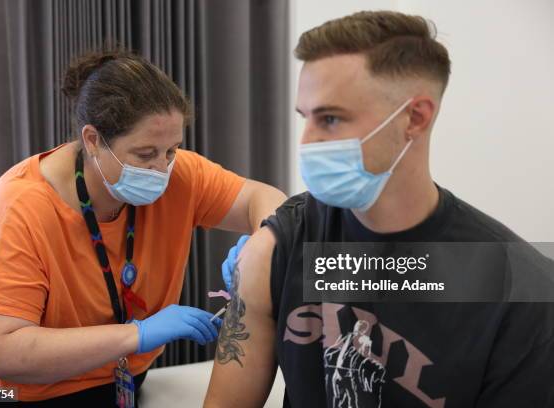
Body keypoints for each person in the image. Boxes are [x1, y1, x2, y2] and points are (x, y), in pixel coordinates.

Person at [204, 11, 554, 408]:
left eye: (331, 118)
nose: (308, 142)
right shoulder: (279, 248)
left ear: (415, 118)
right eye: (306, 117)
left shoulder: (518, 291)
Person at [0, 50, 287, 405]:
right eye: (145, 154)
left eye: (172, 150)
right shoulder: (19, 207)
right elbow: (2, 352)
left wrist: (263, 239)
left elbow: (264, 198)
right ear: (93, 140)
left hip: (118, 375)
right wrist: (138, 334)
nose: (162, 169)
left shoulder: (179, 175)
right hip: (11, 390)